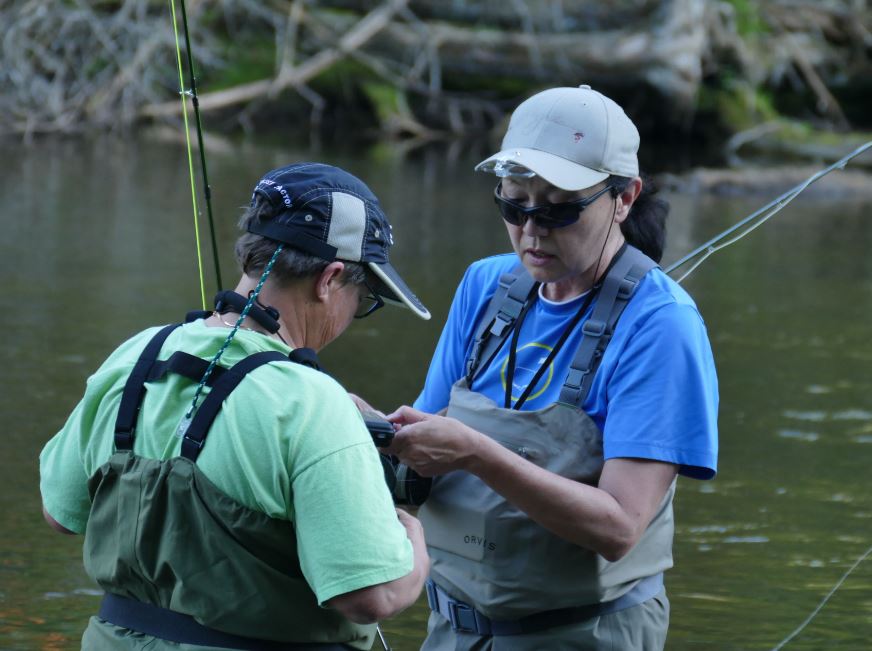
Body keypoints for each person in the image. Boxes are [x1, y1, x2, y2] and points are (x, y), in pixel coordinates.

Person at [39, 162, 431, 650]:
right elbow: (369, 595)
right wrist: (413, 542)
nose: (356, 315)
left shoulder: (135, 353)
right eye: (364, 297)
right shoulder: (312, 402)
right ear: (330, 279)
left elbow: (60, 513)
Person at [384, 85, 719, 650]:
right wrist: (359, 430)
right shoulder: (484, 285)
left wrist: (476, 452)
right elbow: (426, 450)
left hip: (582, 635)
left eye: (559, 209)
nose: (532, 231)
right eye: (515, 205)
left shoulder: (661, 324)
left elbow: (618, 528)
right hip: (453, 631)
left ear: (625, 197)